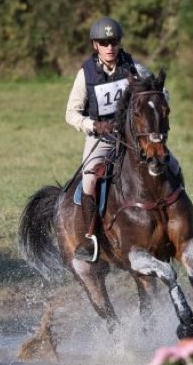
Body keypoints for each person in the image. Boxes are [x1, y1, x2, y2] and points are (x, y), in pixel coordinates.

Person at [65, 16, 180, 262]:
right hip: (103, 138)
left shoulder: (134, 67)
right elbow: (71, 113)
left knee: (173, 165)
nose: (110, 47)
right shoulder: (86, 74)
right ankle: (91, 238)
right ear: (95, 44)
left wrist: (157, 108)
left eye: (114, 42)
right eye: (104, 43)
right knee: (88, 181)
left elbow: (159, 92)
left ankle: (181, 220)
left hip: (136, 138)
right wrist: (93, 124)